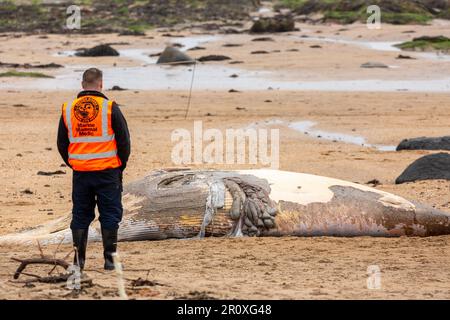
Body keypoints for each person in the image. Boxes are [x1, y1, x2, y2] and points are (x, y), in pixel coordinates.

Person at [57, 68, 130, 271]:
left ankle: (78, 261)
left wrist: (74, 163)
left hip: (81, 172)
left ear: (82, 85)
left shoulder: (68, 108)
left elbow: (61, 143)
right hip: (108, 171)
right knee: (110, 214)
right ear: (101, 84)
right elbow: (124, 141)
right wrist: (120, 165)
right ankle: (109, 260)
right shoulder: (109, 107)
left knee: (80, 214)